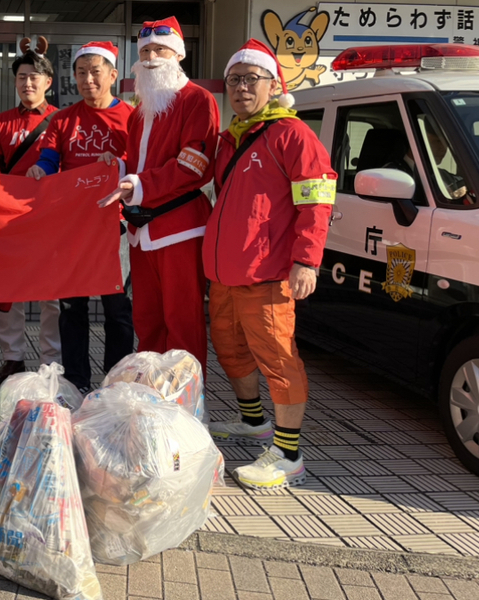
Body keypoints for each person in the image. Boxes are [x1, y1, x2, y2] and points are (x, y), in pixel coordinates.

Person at [204, 39, 336, 489]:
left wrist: (306, 261)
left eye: (251, 79)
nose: (241, 88)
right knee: (230, 348)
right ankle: (255, 423)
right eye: (234, 80)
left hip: (268, 274)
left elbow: (317, 202)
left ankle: (288, 453)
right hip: (225, 274)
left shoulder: (293, 135)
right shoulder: (230, 138)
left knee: (278, 358)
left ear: (274, 85)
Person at [97, 18, 219, 382]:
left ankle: (187, 404)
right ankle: (152, 397)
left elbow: (193, 165)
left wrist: (136, 182)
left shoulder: (198, 100)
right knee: (147, 320)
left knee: (182, 322)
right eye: (145, 51)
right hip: (142, 230)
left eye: (160, 50)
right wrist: (116, 166)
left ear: (178, 54)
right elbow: (137, 164)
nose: (151, 58)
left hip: (180, 227)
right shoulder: (140, 111)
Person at [26, 41, 135, 394]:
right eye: (81, 72)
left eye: (96, 72)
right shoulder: (64, 119)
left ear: (113, 76)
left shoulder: (132, 118)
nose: (88, 79)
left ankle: (114, 382)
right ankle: (76, 380)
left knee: (117, 308)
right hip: (73, 226)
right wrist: (41, 170)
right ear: (73, 76)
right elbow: (49, 158)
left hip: (115, 225)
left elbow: (141, 166)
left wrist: (119, 165)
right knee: (72, 308)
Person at [0, 38, 62, 385]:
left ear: (48, 82)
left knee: (52, 295)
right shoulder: (0, 123)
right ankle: (12, 358)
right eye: (21, 77)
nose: (27, 83)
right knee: (10, 292)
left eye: (34, 77)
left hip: (51, 217)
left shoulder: (62, 121)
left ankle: (51, 362)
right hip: (9, 218)